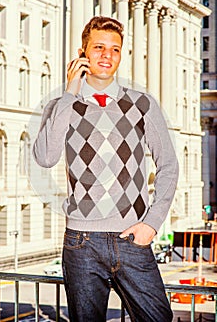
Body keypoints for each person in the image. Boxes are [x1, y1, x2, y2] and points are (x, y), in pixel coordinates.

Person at [33, 16, 179, 322]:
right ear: (82, 53)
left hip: (132, 238)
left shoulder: (142, 104)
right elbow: (46, 157)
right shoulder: (61, 105)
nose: (106, 55)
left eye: (114, 49)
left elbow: (168, 164)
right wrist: (71, 92)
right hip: (81, 241)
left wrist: (151, 223)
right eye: (98, 47)